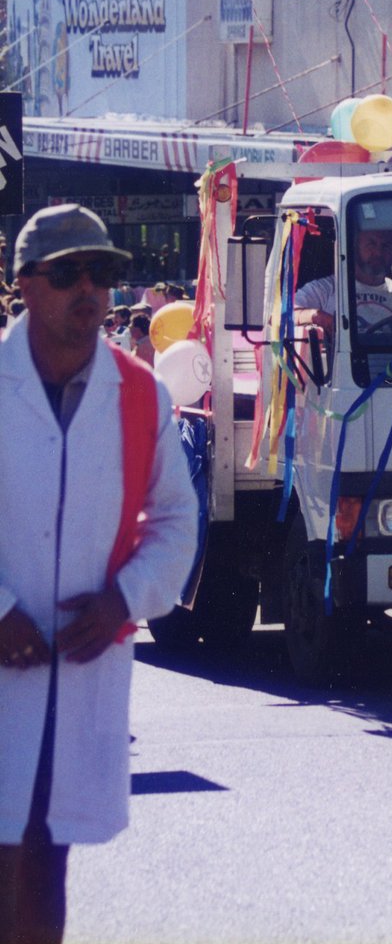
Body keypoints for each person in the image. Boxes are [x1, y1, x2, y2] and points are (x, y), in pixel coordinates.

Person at [0, 204, 197, 944]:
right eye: (68, 273)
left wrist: (124, 598)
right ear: (25, 285)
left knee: (50, 853)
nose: (90, 290)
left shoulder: (140, 390)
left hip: (79, 663)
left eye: (105, 273)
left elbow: (177, 519)